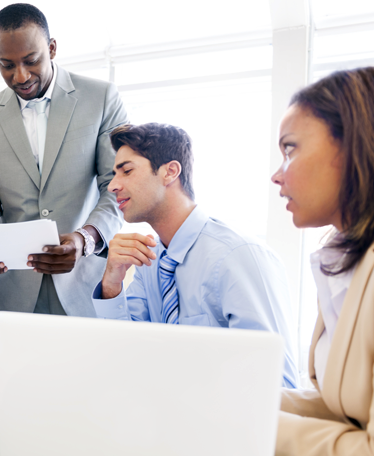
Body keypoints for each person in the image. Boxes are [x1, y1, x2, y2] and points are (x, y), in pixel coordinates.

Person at [93, 122, 299, 388]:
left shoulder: (239, 256)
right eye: (113, 174)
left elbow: (278, 385)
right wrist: (111, 285)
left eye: (127, 171)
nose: (113, 186)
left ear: (170, 172)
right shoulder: (150, 261)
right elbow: (123, 355)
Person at [0, 3, 127, 316]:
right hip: (14, 294)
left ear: (51, 48)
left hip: (85, 284)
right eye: (6, 65)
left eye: (31, 60)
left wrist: (84, 240)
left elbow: (117, 187)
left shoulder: (102, 98)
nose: (20, 76)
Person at [272, 67, 374, 454]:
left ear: (356, 145)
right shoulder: (343, 260)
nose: (276, 176)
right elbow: (349, 410)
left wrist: (250, 421)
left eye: (290, 149)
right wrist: (235, 398)